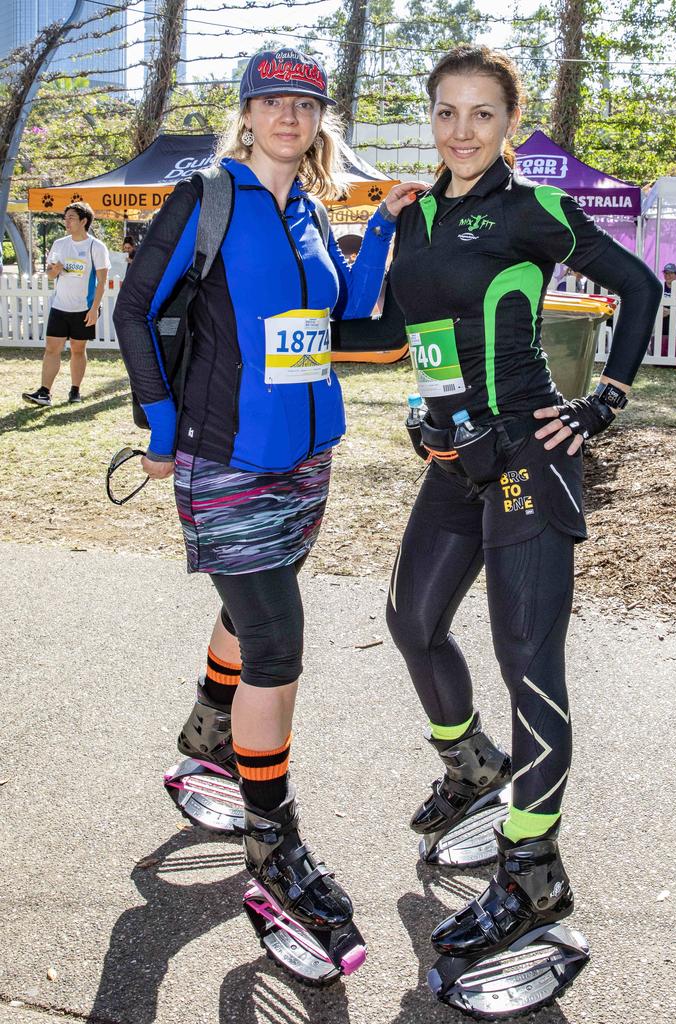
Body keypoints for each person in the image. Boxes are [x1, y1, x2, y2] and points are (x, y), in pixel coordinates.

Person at [113, 48, 421, 951]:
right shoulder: (206, 200)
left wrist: (386, 232)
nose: (290, 114)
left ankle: (211, 732)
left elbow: (348, 317)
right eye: (273, 100)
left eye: (305, 103)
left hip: (305, 462)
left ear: (320, 119)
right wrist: (162, 428)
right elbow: (134, 313)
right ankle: (272, 841)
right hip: (227, 460)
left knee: (250, 609)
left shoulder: (312, 215)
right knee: (277, 646)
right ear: (246, 113)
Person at [385, 45, 661, 963]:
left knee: (528, 663)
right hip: (450, 461)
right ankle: (471, 768)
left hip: (527, 460)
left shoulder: (533, 208)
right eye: (447, 113)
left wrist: (602, 404)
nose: (462, 131)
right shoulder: (414, 217)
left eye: (483, 114)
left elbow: (639, 285)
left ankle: (533, 872)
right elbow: (399, 336)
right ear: (432, 119)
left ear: (509, 124)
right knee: (413, 621)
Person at [22, 202, 110, 406]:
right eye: (65, 217)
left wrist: (94, 308)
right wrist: (56, 270)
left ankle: (75, 391)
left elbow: (102, 282)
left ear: (84, 221)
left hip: (84, 308)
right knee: (52, 348)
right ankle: (44, 392)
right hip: (60, 306)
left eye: (71, 217)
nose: (66, 221)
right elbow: (51, 274)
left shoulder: (96, 247)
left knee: (78, 350)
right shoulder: (60, 244)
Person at [661, 261, 676, 354]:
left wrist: (670, 311)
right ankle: (663, 348)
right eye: (666, 273)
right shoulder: (661, 286)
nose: (668, 275)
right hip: (662, 313)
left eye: (671, 273)